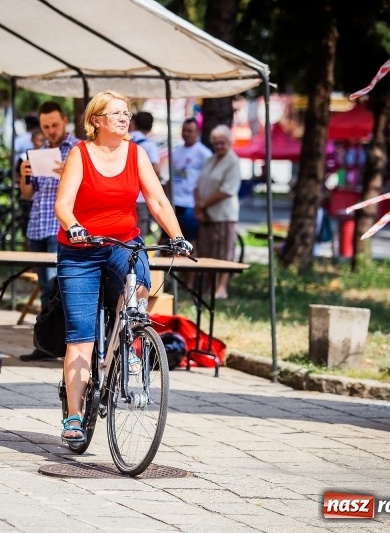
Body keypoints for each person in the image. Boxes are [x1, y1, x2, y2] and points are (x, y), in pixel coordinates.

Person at [53, 90, 192, 443]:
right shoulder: (80, 154)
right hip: (80, 251)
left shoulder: (136, 154)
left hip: (122, 243)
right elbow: (63, 205)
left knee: (139, 285)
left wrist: (177, 236)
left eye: (126, 112)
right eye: (116, 113)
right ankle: (73, 416)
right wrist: (75, 227)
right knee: (81, 337)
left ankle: (126, 343)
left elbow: (157, 200)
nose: (124, 117)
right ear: (96, 120)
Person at [18, 102, 80, 362]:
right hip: (38, 226)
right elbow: (27, 194)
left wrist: (69, 171)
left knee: (59, 287)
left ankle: (66, 343)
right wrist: (23, 175)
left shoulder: (78, 150)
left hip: (61, 227)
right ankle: (46, 344)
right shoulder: (40, 152)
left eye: (54, 125)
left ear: (65, 121)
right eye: (46, 127)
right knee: (46, 287)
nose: (51, 130)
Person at [194, 125, 241, 300]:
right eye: (216, 143)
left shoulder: (233, 161)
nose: (219, 146)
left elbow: (227, 190)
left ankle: (221, 288)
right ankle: (208, 286)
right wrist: (199, 206)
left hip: (224, 215)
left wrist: (203, 204)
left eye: (222, 143)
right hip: (206, 215)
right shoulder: (210, 160)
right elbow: (198, 185)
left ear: (229, 142)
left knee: (224, 253)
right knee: (207, 252)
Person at [169, 118, 212, 242]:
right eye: (184, 130)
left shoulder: (204, 153)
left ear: (197, 132)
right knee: (168, 242)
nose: (186, 134)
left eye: (190, 131)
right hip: (174, 203)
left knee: (189, 242)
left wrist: (201, 204)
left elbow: (209, 180)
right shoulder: (177, 151)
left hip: (190, 205)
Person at [128, 111, 161, 236]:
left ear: (134, 123)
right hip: (141, 196)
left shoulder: (123, 142)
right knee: (139, 233)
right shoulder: (148, 145)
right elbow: (156, 169)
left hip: (124, 194)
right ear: (150, 127)